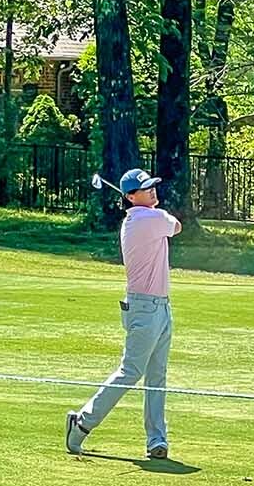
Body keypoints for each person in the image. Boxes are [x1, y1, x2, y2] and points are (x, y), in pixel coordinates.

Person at [66, 168, 183, 460]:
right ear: (130, 197)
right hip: (145, 307)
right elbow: (177, 226)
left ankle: (157, 440)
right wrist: (162, 214)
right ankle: (82, 423)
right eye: (145, 189)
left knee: (157, 375)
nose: (153, 191)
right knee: (131, 371)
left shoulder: (144, 217)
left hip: (160, 305)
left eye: (153, 186)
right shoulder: (147, 218)